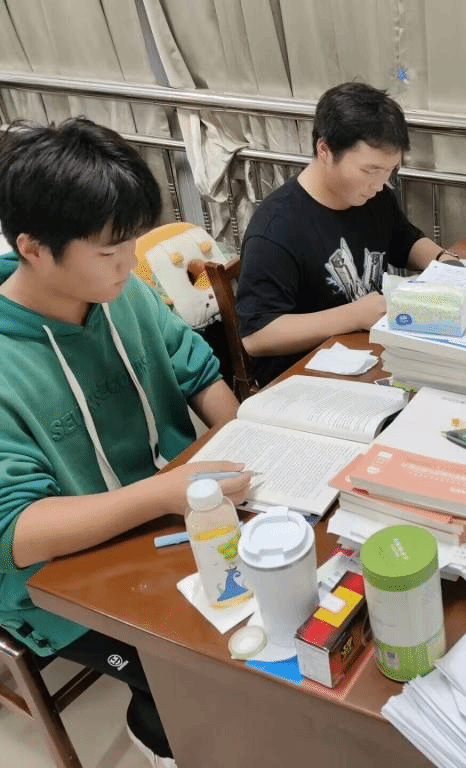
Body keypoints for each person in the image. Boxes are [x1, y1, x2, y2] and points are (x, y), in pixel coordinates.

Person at [0, 118, 253, 767]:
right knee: (191, 669)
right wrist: (164, 494)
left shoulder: (121, 290)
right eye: (110, 250)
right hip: (57, 581)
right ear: (33, 248)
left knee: (262, 620)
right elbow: (17, 532)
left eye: (133, 241)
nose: (129, 261)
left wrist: (241, 438)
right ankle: (159, 733)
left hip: (164, 515)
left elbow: (196, 369)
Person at [236, 81, 461, 384]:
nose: (380, 184)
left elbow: (404, 240)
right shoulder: (276, 229)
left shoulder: (373, 197)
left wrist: (445, 261)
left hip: (369, 358)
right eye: (370, 171)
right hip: (307, 376)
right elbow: (257, 336)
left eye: (390, 171)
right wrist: (354, 315)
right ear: (325, 150)